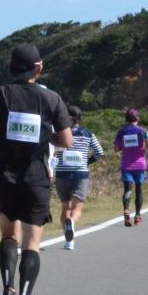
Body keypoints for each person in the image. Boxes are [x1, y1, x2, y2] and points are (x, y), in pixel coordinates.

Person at [0, 43, 73, 295]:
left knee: (8, 236)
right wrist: (46, 137)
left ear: (11, 67)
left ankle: (8, 290)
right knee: (33, 243)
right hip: (36, 178)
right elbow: (66, 141)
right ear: (38, 68)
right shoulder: (51, 98)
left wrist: (2, 131)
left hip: (4, 177)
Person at [52, 105, 104, 249]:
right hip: (80, 173)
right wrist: (86, 162)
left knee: (65, 208)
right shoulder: (88, 133)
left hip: (62, 173)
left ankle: (69, 241)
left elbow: (52, 151)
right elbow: (99, 153)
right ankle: (72, 223)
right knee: (77, 208)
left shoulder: (59, 134)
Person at [115, 108, 148, 226]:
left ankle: (126, 209)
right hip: (140, 165)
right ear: (137, 118)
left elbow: (116, 148)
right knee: (139, 190)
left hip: (127, 165)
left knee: (127, 189)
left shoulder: (122, 131)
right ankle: (137, 216)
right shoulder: (142, 131)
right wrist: (147, 143)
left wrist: (124, 149)